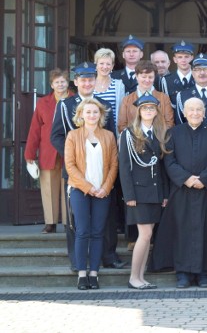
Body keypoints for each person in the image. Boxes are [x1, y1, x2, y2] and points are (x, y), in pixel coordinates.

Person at [50, 62, 123, 271]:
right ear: (76, 82)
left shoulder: (103, 104)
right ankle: (77, 261)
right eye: (83, 79)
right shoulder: (65, 105)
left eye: (91, 79)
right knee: (75, 220)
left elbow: (110, 136)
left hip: (101, 169)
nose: (87, 83)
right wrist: (75, 156)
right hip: (75, 171)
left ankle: (108, 256)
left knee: (106, 217)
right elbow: (55, 136)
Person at [150, 97, 207, 288]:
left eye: (198, 110)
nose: (195, 113)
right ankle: (183, 273)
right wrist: (187, 179)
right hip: (181, 191)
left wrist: (203, 180)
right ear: (184, 113)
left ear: (204, 113)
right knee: (182, 231)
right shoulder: (173, 133)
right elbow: (169, 160)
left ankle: (204, 273)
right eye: (191, 110)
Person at [64, 99, 118, 290]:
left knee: (97, 233)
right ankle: (81, 275)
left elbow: (114, 165)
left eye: (95, 112)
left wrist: (105, 186)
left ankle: (94, 274)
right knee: (82, 231)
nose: (92, 115)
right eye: (88, 112)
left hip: (103, 191)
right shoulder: (73, 136)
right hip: (80, 190)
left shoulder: (109, 136)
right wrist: (88, 187)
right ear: (80, 115)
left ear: (101, 115)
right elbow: (70, 166)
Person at [119, 94, 170, 290]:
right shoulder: (129, 134)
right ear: (138, 111)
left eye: (152, 108)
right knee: (145, 234)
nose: (148, 111)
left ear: (157, 111)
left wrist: (164, 194)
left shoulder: (160, 133)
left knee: (148, 236)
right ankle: (134, 277)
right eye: (144, 108)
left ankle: (141, 276)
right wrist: (129, 195)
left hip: (155, 191)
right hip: (138, 193)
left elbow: (161, 167)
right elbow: (125, 167)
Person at [25, 68, 73, 233]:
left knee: (69, 187)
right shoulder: (43, 103)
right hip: (48, 151)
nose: (60, 84)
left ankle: (69, 222)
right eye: (57, 82)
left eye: (63, 81)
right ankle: (50, 222)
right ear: (51, 84)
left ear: (68, 83)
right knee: (48, 188)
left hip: (71, 150)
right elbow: (35, 130)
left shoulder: (76, 100)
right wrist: (29, 154)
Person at [117, 61, 174, 133]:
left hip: (158, 141)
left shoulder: (164, 98)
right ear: (136, 76)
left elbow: (169, 124)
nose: (147, 80)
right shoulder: (127, 100)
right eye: (144, 77)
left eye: (150, 77)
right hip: (135, 141)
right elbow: (122, 126)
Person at [93, 48, 126, 130]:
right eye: (101, 63)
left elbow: (122, 111)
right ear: (96, 65)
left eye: (108, 64)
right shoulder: (89, 84)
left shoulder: (119, 85)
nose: (105, 67)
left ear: (112, 66)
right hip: (92, 130)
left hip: (112, 131)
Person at [160, 40, 195, 108]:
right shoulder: (167, 80)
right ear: (174, 59)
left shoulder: (199, 78)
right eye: (180, 57)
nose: (183, 60)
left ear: (192, 58)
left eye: (186, 57)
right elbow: (166, 107)